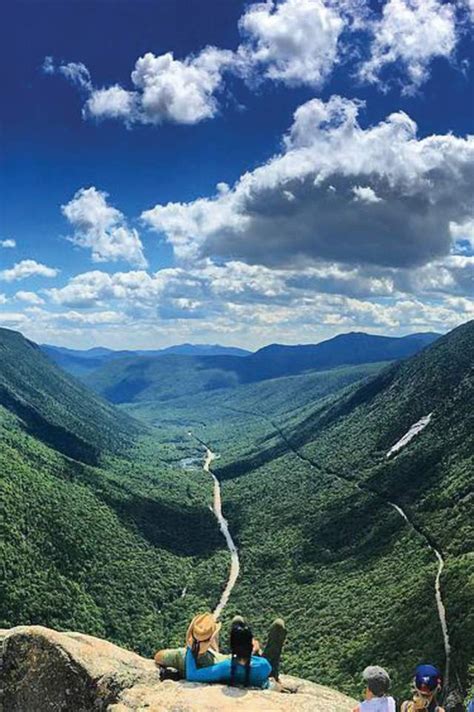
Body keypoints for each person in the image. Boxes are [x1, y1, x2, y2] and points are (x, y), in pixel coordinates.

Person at [185, 616, 287, 689]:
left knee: (237, 621)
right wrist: (254, 651)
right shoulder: (264, 665)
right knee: (278, 625)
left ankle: (242, 647)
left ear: (232, 647)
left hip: (238, 667)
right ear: (250, 646)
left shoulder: (224, 667)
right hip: (263, 673)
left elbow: (192, 675)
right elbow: (264, 667)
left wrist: (191, 646)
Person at [154, 612, 227, 679]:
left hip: (183, 666)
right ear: (210, 640)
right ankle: (212, 642)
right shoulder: (217, 662)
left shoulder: (179, 656)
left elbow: (158, 657)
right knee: (215, 648)